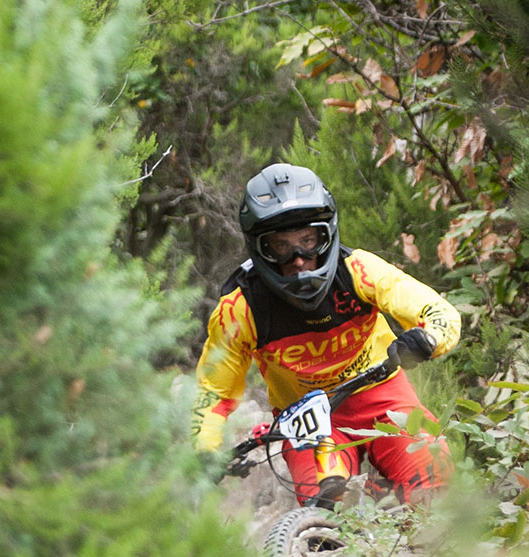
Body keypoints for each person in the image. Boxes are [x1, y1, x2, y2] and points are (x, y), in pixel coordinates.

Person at [192, 163, 461, 506]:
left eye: (308, 240)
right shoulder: (241, 309)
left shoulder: (359, 270)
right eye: (281, 246)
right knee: (325, 509)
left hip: (383, 396)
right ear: (261, 248)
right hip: (308, 419)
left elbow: (437, 311)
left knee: (435, 482)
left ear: (327, 234)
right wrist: (206, 449)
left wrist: (427, 339)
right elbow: (214, 391)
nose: (300, 259)